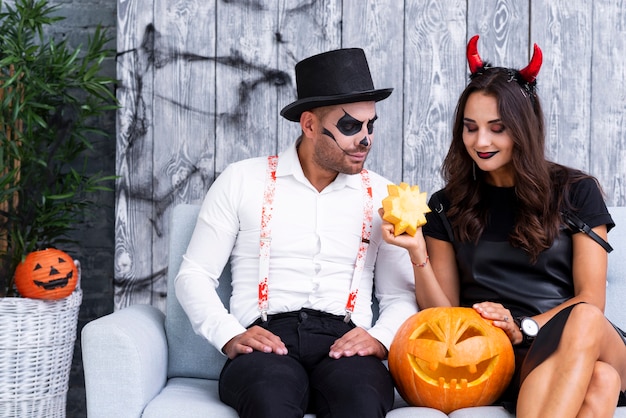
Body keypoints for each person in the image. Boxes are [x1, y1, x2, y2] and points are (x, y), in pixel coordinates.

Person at [381, 35, 626, 417]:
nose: (480, 141)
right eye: (470, 127)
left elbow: (591, 298)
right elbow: (442, 312)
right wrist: (417, 254)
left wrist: (522, 325)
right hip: (501, 355)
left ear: (522, 129)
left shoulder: (577, 191)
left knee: (586, 317)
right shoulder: (446, 205)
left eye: (497, 128)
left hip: (579, 336)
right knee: (602, 381)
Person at [175, 48, 417, 418]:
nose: (366, 139)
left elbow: (399, 295)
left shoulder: (386, 197)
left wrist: (381, 340)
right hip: (266, 342)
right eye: (351, 126)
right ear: (309, 125)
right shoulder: (242, 180)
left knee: (362, 403)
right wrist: (228, 334)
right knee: (270, 401)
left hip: (346, 344)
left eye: (371, 125)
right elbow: (194, 275)